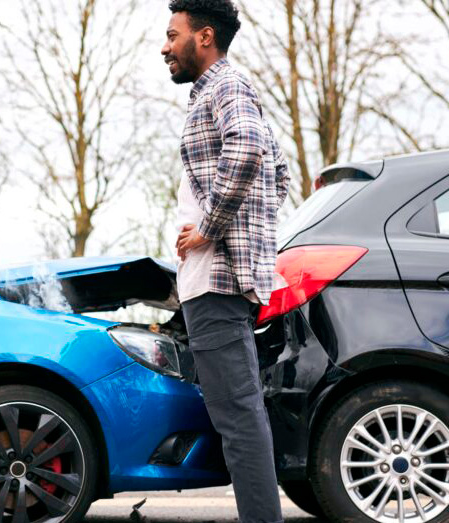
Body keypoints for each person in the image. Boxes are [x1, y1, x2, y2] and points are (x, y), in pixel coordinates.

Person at [162, 1, 290, 522]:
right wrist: (249, 231)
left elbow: (249, 154)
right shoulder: (221, 93)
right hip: (215, 277)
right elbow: (278, 174)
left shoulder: (226, 86)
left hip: (216, 279)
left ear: (205, 36)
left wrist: (210, 229)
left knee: (237, 417)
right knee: (238, 414)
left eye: (173, 35)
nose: (165, 46)